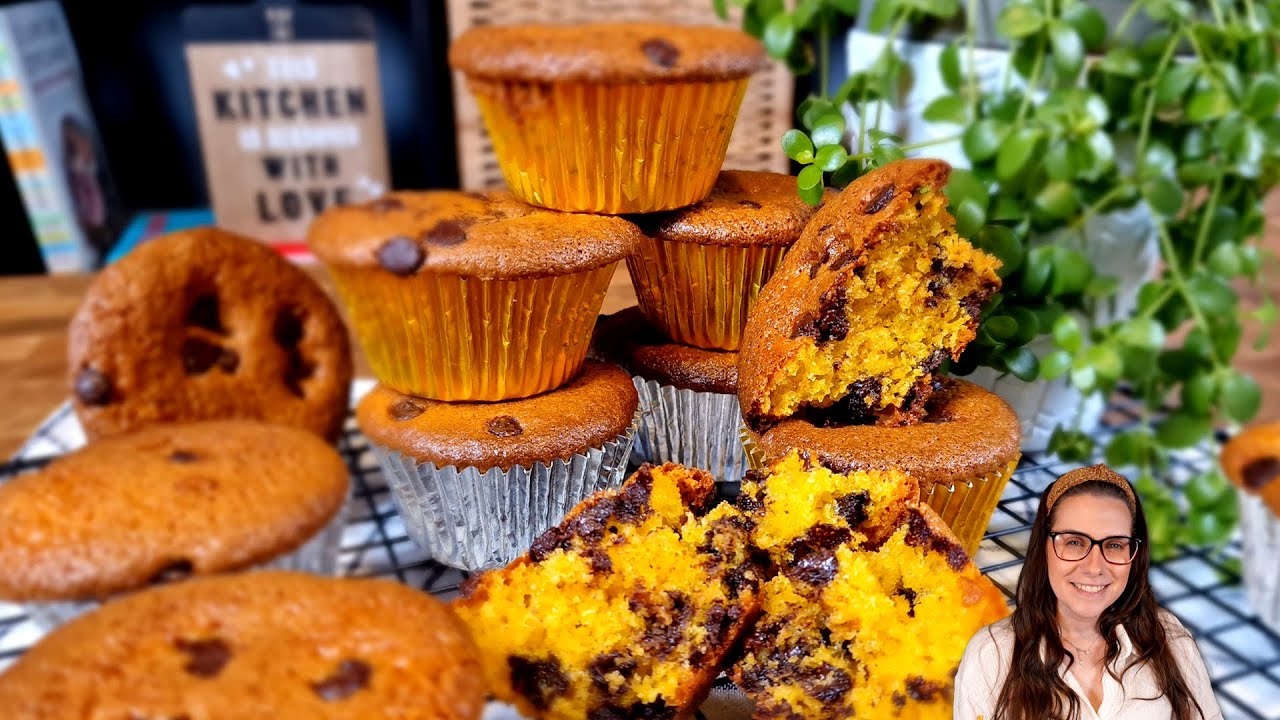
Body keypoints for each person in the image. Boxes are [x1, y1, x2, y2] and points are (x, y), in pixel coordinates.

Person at [954, 464, 1223, 720]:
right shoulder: (991, 654)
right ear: (1044, 547)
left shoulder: (1170, 637)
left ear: (1134, 554)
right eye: (1074, 542)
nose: (1095, 567)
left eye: (1115, 545)